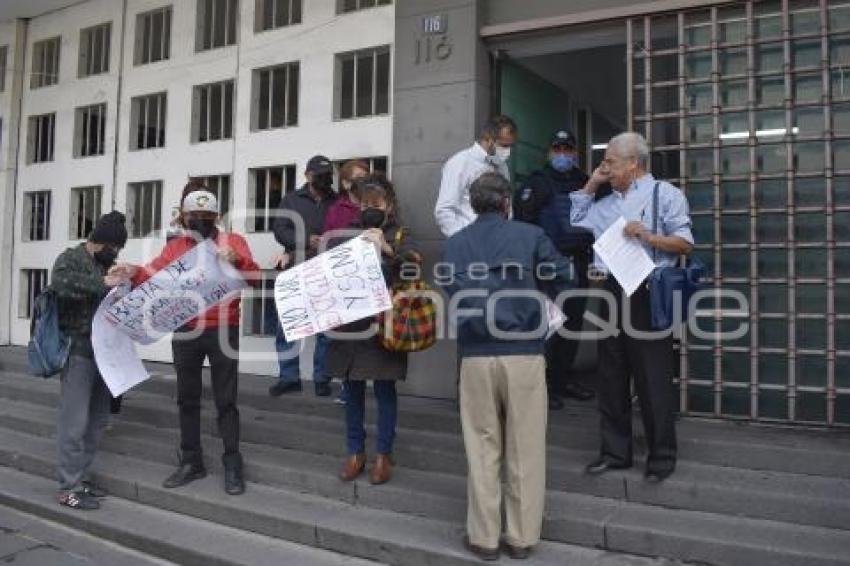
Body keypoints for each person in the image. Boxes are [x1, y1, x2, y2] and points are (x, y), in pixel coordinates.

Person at [440, 173, 575, 561]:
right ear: (506, 202)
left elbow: (452, 289)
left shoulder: (455, 244)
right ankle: (521, 537)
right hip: (524, 353)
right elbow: (566, 276)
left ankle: (483, 538)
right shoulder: (530, 236)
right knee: (525, 447)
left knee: (481, 448)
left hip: (475, 356)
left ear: (474, 203)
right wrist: (543, 302)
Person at [114, 188, 261, 495]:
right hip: (185, 330)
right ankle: (191, 460)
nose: (201, 222)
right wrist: (132, 271)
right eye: (194, 217)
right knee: (187, 397)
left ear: (217, 217)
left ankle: (233, 463)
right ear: (183, 218)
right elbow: (152, 276)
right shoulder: (175, 248)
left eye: (207, 217)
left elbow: (256, 278)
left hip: (223, 328)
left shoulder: (233, 242)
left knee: (226, 400)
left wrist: (238, 260)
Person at [570, 132, 694, 483]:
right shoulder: (606, 202)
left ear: (633, 164)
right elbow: (576, 218)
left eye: (609, 162)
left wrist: (649, 236)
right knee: (610, 374)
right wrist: (592, 183)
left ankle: (661, 457)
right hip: (610, 290)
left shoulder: (665, 194)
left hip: (648, 290)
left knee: (652, 375)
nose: (604, 167)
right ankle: (614, 452)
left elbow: (685, 243)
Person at [329, 175, 420, 486]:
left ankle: (384, 454)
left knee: (384, 390)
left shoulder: (400, 234)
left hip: (386, 327)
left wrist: (386, 249)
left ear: (389, 205)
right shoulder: (346, 234)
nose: (369, 208)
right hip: (351, 326)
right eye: (364, 202)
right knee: (351, 390)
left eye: (376, 203)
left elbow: (414, 268)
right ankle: (355, 452)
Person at [514, 129, 599, 409]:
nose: (563, 154)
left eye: (568, 149)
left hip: (579, 261)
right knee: (549, 324)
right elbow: (525, 226)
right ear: (549, 152)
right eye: (558, 148)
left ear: (575, 152)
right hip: (548, 265)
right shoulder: (536, 183)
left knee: (573, 323)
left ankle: (563, 379)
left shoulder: (585, 181)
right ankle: (543, 384)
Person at [51, 211, 128, 510]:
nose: (116, 253)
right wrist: (104, 283)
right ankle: (67, 487)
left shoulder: (105, 265)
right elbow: (61, 285)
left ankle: (80, 479)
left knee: (97, 422)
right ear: (100, 241)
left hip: (106, 355)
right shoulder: (71, 258)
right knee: (75, 423)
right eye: (114, 247)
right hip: (79, 352)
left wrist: (122, 289)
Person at [270, 155, 338, 398]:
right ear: (308, 175)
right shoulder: (291, 200)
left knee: (326, 329)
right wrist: (306, 239)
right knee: (288, 326)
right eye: (320, 175)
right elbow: (280, 230)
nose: (326, 179)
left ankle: (322, 378)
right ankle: (289, 378)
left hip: (326, 270)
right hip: (296, 270)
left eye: (329, 174)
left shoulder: (336, 200)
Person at [322, 159, 370, 405]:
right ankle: (345, 385)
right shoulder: (336, 209)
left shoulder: (373, 203)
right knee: (343, 334)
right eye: (358, 177)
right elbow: (329, 241)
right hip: (344, 278)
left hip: (370, 277)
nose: (363, 182)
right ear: (346, 182)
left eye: (366, 177)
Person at [434, 115, 517, 237]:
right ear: (488, 138)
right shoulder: (460, 163)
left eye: (510, 146)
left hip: (499, 243)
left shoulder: (502, 166)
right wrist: (463, 241)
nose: (508, 150)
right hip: (470, 243)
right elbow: (444, 211)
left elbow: (507, 207)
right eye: (504, 145)